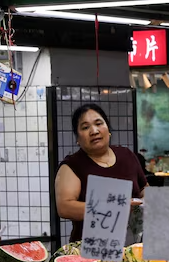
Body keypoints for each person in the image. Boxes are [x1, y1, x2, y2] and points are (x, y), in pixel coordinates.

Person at [55, 103, 146, 244]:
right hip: (93, 248)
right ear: (78, 138)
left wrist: (147, 201)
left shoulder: (127, 155)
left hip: (132, 246)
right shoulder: (72, 165)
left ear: (108, 129)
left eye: (99, 123)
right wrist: (113, 208)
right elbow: (64, 208)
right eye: (85, 127)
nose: (94, 131)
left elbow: (143, 188)